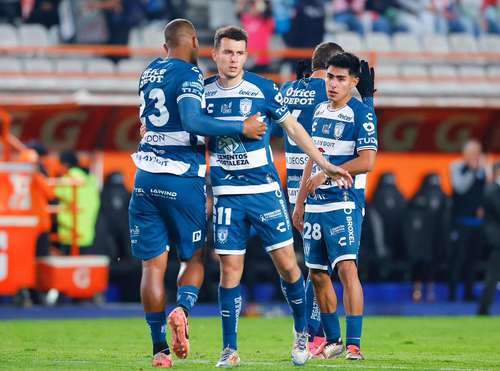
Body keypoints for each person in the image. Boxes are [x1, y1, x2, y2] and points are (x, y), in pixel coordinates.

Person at [204, 26, 353, 367]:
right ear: (215, 54)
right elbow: (190, 129)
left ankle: (302, 333)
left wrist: (324, 164)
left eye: (240, 53)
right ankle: (230, 349)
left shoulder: (263, 89)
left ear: (246, 55)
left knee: (288, 266)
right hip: (227, 193)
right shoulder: (202, 92)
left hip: (264, 192)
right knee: (229, 271)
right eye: (227, 52)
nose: (233, 59)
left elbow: (295, 130)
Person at [129, 19, 266, 368]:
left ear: (164, 47)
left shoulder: (148, 73)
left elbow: (149, 120)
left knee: (152, 267)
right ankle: (183, 307)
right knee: (193, 258)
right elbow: (192, 121)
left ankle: (159, 350)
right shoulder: (190, 74)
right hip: (181, 178)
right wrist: (242, 126)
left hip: (144, 176)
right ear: (192, 40)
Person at [279, 42, 375, 355]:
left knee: (347, 269)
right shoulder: (320, 110)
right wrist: (301, 199)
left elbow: (367, 161)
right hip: (315, 202)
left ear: (354, 82)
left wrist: (329, 174)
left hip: (343, 202)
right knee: (318, 273)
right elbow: (312, 153)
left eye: (340, 79)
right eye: (330, 77)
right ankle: (332, 340)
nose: (332, 84)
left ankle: (354, 345)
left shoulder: (360, 113)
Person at [448, 139, 488, 302]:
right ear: (465, 154)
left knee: (473, 260)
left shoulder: (484, 168)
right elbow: (460, 187)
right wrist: (472, 170)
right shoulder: (457, 166)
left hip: (478, 223)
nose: (475, 156)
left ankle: (469, 292)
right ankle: (452, 293)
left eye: (477, 152)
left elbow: (489, 189)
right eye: (472, 153)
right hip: (461, 222)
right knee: (458, 259)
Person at [55, 151, 100, 254]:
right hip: (87, 235)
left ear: (65, 164)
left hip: (70, 234)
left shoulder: (68, 179)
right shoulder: (90, 180)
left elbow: (53, 194)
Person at [478, 162, 500, 315]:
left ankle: (483, 309)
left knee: (492, 275)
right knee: (492, 276)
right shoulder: (491, 189)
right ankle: (483, 310)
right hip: (497, 240)